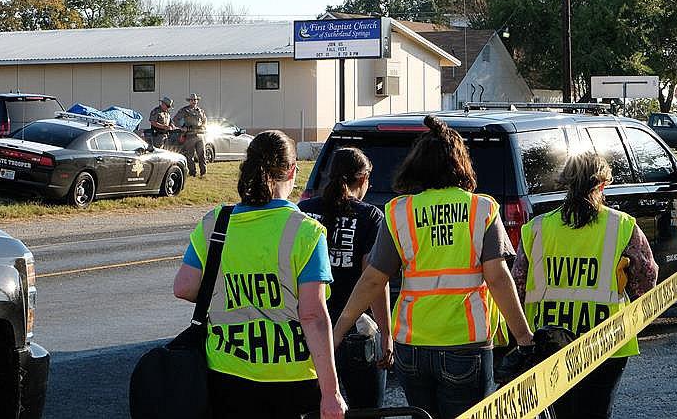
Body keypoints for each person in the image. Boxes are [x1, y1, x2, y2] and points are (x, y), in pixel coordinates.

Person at [332, 115, 534, 419]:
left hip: (412, 346)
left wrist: (337, 332)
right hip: (466, 344)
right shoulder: (482, 209)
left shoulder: (400, 211)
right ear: (461, 163)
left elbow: (373, 279)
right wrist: (523, 336)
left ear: (417, 165)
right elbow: (498, 279)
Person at [173, 130, 346, 419]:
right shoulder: (305, 231)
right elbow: (313, 316)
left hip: (227, 372)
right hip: (291, 377)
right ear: (292, 170)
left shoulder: (216, 223)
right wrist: (331, 394)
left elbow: (184, 287)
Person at [511, 152, 658, 419]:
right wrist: (635, 306)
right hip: (607, 341)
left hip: (549, 341)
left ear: (566, 183)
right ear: (602, 185)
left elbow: (518, 281)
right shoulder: (622, 225)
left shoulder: (537, 228)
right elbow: (647, 275)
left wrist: (520, 334)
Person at [298, 148, 392, 409]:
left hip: (308, 329)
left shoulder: (303, 211)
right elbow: (374, 280)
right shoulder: (370, 216)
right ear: (363, 180)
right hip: (356, 332)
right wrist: (386, 333)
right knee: (366, 410)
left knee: (317, 408)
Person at [173, 93, 208, 177]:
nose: (194, 101)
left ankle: (203, 172)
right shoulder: (184, 110)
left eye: (195, 100)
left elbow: (205, 120)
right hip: (190, 135)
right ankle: (192, 172)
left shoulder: (200, 111)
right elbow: (175, 119)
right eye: (192, 100)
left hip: (200, 134)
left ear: (197, 101)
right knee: (190, 155)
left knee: (202, 154)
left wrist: (204, 126)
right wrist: (181, 127)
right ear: (189, 101)